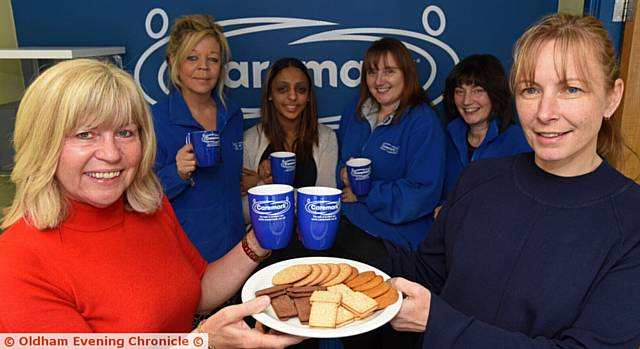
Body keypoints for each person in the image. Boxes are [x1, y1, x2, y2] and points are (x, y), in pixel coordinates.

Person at [0, 59, 303, 349]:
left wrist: (260, 240)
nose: (112, 153)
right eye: (85, 134)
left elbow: (198, 291)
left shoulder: (149, 206)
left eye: (125, 132)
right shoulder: (16, 263)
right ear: (42, 144)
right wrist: (200, 342)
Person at [379, 14, 640, 349]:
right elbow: (426, 272)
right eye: (531, 89)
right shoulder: (479, 178)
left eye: (571, 89)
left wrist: (439, 324)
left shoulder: (632, 223)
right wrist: (316, 297)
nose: (545, 112)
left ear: (611, 98)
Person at [332, 37, 446, 260]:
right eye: (372, 72)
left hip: (394, 238)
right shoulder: (354, 111)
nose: (379, 80)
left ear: (406, 73)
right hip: (349, 220)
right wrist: (342, 173)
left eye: (389, 71)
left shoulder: (423, 122)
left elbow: (420, 194)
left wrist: (365, 193)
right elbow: (341, 163)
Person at [152, 14, 244, 262]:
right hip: (184, 256)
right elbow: (140, 197)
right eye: (192, 58)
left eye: (213, 59)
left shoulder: (233, 114)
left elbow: (227, 183)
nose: (204, 67)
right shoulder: (155, 120)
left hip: (235, 252)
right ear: (174, 61)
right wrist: (177, 173)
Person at [241, 57, 338, 225]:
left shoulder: (326, 138)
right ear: (270, 94)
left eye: (300, 89)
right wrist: (263, 181)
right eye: (282, 89)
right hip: (264, 243)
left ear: (308, 96)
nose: (292, 96)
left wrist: (261, 185)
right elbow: (244, 213)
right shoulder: (250, 139)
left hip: (312, 237)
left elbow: (324, 207)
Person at [442, 54, 531, 197]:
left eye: (478, 91)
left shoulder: (519, 143)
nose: (466, 101)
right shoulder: (446, 138)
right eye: (460, 91)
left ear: (495, 94)